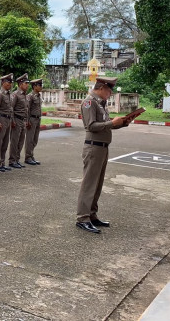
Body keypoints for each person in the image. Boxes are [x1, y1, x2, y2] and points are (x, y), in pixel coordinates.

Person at [76, 77, 130, 234]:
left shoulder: (101, 103)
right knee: (89, 184)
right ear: (100, 88)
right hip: (93, 148)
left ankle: (92, 215)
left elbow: (105, 127)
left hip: (102, 148)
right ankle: (82, 218)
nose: (110, 92)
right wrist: (112, 123)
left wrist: (122, 123)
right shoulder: (89, 102)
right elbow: (91, 126)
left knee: (97, 184)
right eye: (109, 89)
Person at [0, 74, 14, 172]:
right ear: (4, 83)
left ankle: (2, 162)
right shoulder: (0, 94)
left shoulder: (8, 94)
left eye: (11, 83)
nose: (11, 84)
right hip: (1, 119)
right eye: (9, 82)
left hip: (8, 119)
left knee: (5, 142)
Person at [8, 73, 30, 169]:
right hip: (16, 119)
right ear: (20, 84)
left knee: (21, 141)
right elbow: (11, 108)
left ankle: (17, 159)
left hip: (23, 120)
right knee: (15, 141)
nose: (27, 85)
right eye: (26, 83)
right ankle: (12, 161)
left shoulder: (25, 95)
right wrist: (12, 121)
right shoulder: (15, 94)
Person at [25, 78, 43, 165]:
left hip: (38, 119)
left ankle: (31, 155)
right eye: (39, 85)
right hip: (31, 119)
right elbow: (27, 110)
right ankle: (28, 157)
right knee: (30, 139)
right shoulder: (30, 96)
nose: (41, 87)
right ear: (34, 86)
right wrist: (27, 121)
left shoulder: (39, 96)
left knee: (35, 139)